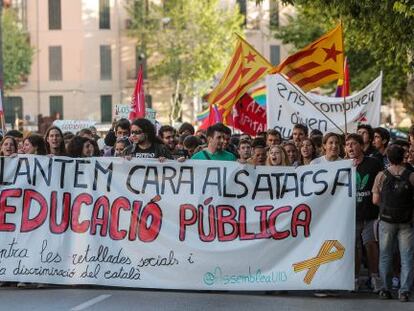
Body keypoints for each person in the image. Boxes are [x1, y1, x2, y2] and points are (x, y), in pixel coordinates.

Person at [372, 144, 414, 302]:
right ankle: (404, 291)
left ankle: (385, 289)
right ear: (403, 157)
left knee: (385, 255)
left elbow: (375, 200)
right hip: (406, 221)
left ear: (388, 158)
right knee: (407, 257)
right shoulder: (411, 176)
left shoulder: (381, 176)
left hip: (386, 221)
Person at [345, 134, 383, 292]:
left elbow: (382, 183)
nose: (350, 147)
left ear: (361, 146)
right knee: (354, 247)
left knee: (370, 245)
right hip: (351, 215)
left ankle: (374, 277)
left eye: (353, 144)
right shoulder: (344, 165)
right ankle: (354, 278)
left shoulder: (374, 163)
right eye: (347, 144)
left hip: (371, 215)